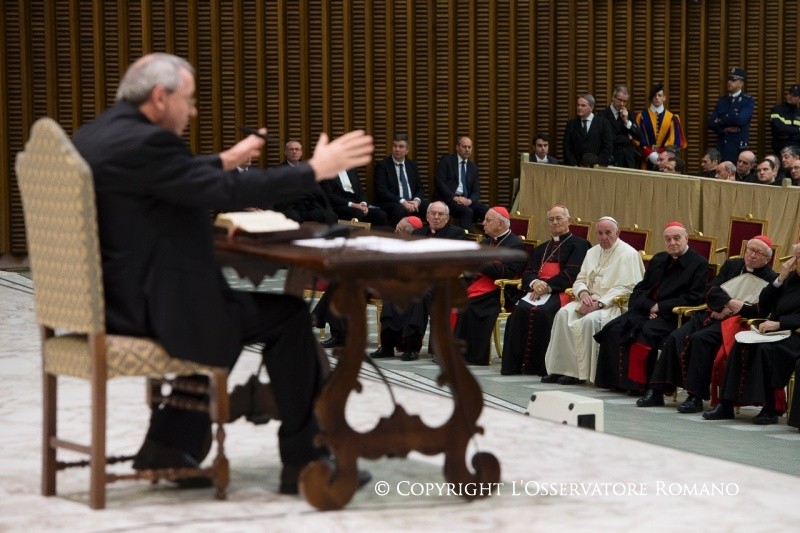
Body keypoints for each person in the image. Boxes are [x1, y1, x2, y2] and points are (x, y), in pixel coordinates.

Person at [70, 53, 375, 494]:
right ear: (160, 97)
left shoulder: (97, 134)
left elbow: (167, 179)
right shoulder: (148, 143)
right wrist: (313, 170)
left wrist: (225, 159)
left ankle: (169, 445)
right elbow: (225, 191)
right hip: (148, 308)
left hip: (113, 299)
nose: (192, 111)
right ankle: (306, 460)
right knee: (287, 316)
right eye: (189, 99)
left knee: (227, 312)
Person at [638, 236, 776, 411]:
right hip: (712, 314)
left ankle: (695, 396)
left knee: (700, 339)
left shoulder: (771, 278)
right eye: (750, 250)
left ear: (767, 258)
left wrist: (735, 310)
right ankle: (657, 391)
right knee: (674, 337)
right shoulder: (732, 265)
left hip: (736, 323)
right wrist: (727, 303)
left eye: (758, 253)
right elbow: (711, 289)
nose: (752, 255)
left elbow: (761, 310)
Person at [594, 221, 708, 394]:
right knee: (613, 329)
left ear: (686, 238)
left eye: (677, 238)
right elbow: (641, 288)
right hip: (647, 311)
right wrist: (649, 306)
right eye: (668, 239)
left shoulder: (698, 263)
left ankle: (639, 385)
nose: (672, 242)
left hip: (673, 315)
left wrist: (660, 307)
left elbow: (694, 297)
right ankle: (616, 382)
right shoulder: (659, 259)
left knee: (643, 332)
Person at [542, 216, 644, 385]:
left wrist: (599, 304)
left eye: (608, 233)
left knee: (589, 321)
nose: (604, 237)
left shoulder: (629, 254)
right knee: (562, 314)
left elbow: (628, 288)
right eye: (600, 233)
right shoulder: (592, 252)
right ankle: (561, 369)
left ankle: (581, 374)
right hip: (587, 300)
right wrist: (583, 294)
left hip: (612, 305)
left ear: (617, 233)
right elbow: (580, 279)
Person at [703, 246, 800, 424]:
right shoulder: (790, 278)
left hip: (795, 335)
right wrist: (779, 280)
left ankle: (770, 408)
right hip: (776, 331)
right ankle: (726, 404)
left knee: (765, 351)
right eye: (796, 257)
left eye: (799, 257)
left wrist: (781, 323)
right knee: (740, 343)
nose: (796, 262)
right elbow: (764, 304)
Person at [500, 205, 590, 376]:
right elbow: (528, 272)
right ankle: (513, 366)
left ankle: (541, 367)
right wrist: (535, 283)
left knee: (543, 313)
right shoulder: (542, 248)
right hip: (537, 291)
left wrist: (547, 286)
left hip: (562, 291)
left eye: (559, 218)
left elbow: (572, 273)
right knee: (518, 313)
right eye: (551, 219)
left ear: (569, 220)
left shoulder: (580, 245)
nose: (555, 222)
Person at [370, 202, 466, 361]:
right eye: (433, 213)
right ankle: (387, 345)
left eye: (440, 214)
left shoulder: (456, 233)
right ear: (427, 216)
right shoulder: (418, 233)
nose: (436, 217)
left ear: (447, 218)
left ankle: (411, 346)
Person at [455, 207, 526, 366]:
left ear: (500, 224)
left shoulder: (515, 245)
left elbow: (508, 272)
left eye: (488, 220)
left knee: (469, 305)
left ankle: (470, 355)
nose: (483, 223)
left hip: (501, 291)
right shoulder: (487, 242)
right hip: (479, 285)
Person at [273, 139, 338, 224]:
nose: (294, 152)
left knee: (331, 216)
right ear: (285, 152)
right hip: (291, 207)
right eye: (291, 149)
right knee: (294, 218)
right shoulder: (279, 170)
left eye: (297, 149)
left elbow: (318, 191)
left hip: (309, 206)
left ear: (301, 153)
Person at [433, 135, 489, 230]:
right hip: (449, 199)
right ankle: (465, 237)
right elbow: (440, 184)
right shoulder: (447, 161)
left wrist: (469, 201)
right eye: (464, 147)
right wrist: (455, 198)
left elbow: (476, 191)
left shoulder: (473, 167)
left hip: (466, 200)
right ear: (457, 147)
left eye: (469, 147)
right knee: (467, 211)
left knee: (486, 210)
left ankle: (489, 237)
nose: (467, 149)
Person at [373, 134, 428, 226]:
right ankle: (397, 234)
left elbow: (420, 188)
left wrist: (417, 201)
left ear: (407, 150)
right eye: (395, 146)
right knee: (400, 209)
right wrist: (402, 201)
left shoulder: (411, 165)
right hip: (392, 202)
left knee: (432, 207)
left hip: (412, 202)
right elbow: (381, 191)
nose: (397, 149)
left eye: (401, 147)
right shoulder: (382, 166)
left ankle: (429, 233)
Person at [632, 82, 688, 170]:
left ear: (664, 98)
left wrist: (662, 154)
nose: (657, 98)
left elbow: (675, 142)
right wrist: (649, 153)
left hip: (666, 162)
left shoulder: (672, 118)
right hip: (645, 160)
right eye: (654, 95)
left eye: (659, 95)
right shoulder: (641, 116)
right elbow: (635, 138)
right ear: (651, 98)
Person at [707, 67, 755, 164]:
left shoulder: (747, 100)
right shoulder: (722, 101)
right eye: (729, 79)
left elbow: (739, 120)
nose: (729, 82)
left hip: (737, 148)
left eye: (733, 80)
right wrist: (725, 129)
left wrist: (720, 120)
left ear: (741, 84)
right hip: (722, 146)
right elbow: (711, 123)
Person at [319, 167, 389, 227]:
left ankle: (377, 237)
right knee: (358, 212)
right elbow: (330, 196)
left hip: (357, 203)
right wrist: (352, 205)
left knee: (381, 214)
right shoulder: (326, 172)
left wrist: (363, 204)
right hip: (341, 205)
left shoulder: (351, 169)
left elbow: (360, 191)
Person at [562, 93, 613, 167]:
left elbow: (607, 147)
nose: (579, 108)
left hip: (597, 167)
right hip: (576, 167)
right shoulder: (571, 124)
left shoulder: (603, 123)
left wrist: (598, 164)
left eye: (583, 105)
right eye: (578, 105)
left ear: (591, 108)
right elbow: (566, 148)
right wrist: (574, 164)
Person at [599, 85, 641, 168]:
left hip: (627, 160)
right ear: (613, 98)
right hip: (611, 158)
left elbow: (639, 136)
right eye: (619, 100)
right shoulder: (602, 115)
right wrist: (626, 138)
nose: (622, 104)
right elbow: (606, 138)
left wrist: (626, 121)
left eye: (625, 101)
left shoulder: (629, 114)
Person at [769, 84, 800, 154]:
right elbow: (778, 129)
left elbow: (784, 129)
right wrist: (797, 130)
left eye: (794, 95)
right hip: (780, 147)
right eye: (790, 93)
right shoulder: (776, 110)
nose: (790, 96)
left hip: (797, 148)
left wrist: (788, 133)